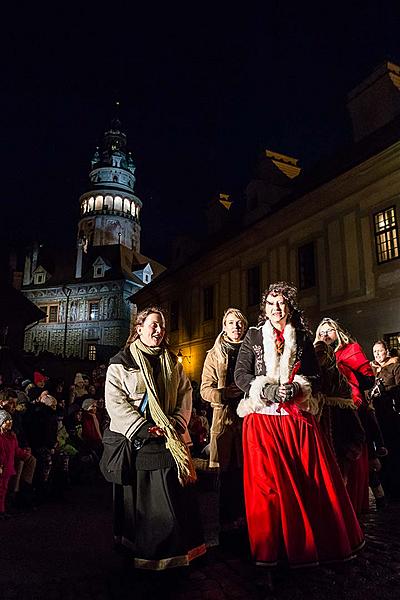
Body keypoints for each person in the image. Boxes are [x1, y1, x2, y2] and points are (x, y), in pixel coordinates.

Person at [234, 282, 364, 570]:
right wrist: (264, 390)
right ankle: (271, 549)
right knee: (267, 489)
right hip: (263, 420)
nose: (276, 308)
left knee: (309, 481)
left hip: (296, 420)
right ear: (264, 308)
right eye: (270, 303)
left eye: (281, 303)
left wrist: (296, 388)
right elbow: (240, 374)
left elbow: (315, 377)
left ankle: (309, 544)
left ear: (290, 306)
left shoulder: (303, 337)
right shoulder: (253, 336)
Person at [105, 306, 206, 570]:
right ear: (138, 329)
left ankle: (173, 554)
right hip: (139, 443)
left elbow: (185, 394)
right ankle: (146, 555)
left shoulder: (172, 361)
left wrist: (176, 421)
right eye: (153, 325)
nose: (159, 331)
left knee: (175, 500)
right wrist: (143, 427)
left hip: (169, 440)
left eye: (162, 326)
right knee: (146, 507)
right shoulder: (121, 362)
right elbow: (115, 401)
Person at [315, 318, 376, 513]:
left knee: (350, 453)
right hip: (324, 409)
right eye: (321, 331)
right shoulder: (314, 352)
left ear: (337, 332)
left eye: (329, 330)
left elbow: (367, 380)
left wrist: (346, 377)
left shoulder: (351, 350)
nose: (325, 334)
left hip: (350, 406)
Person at [201, 308, 248, 536]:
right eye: (231, 323)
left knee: (247, 472)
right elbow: (204, 389)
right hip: (225, 420)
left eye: (239, 323)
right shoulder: (215, 353)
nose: (235, 327)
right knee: (227, 474)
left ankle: (247, 518)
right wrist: (223, 394)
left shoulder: (252, 349)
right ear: (224, 326)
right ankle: (227, 523)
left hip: (249, 418)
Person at [370, 340, 400, 498]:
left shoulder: (395, 366)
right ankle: (386, 487)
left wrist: (385, 390)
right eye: (374, 352)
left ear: (386, 351)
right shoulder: (372, 368)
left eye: (380, 351)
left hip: (392, 414)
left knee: (394, 448)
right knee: (382, 451)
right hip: (377, 414)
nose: (377, 354)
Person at [0, 410, 31, 518]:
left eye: (10, 420)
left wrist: (24, 454)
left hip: (7, 467)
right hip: (2, 467)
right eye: (6, 421)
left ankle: (3, 510)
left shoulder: (12, 437)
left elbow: (16, 450)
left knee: (4, 489)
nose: (9, 422)